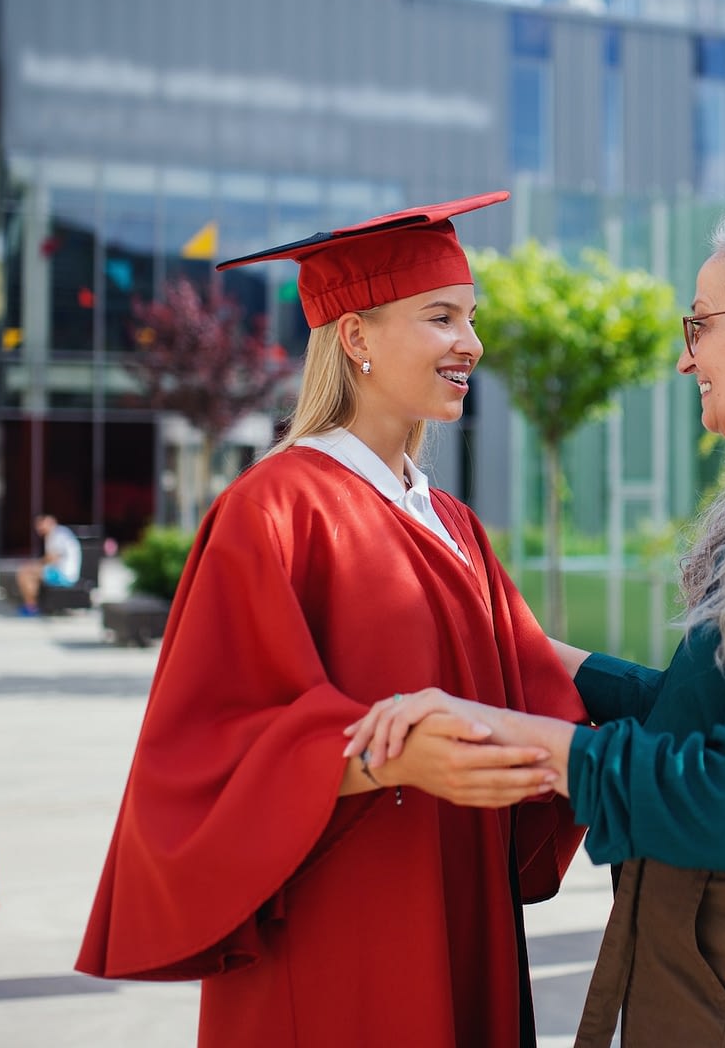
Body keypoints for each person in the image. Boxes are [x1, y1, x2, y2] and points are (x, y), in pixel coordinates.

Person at [348, 209, 725, 1047]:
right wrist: (548, 664)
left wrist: (532, 740)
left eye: (701, 325)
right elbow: (714, 713)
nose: (686, 357)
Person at [75, 191, 588, 1048]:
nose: (472, 344)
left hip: (462, 894)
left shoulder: (448, 519)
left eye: (470, 317)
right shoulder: (273, 509)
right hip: (341, 916)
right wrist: (386, 756)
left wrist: (690, 697)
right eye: (441, 317)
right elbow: (209, 742)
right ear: (354, 338)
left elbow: (531, 669)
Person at [14, 513, 80, 616]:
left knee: (25, 573)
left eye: (40, 524)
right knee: (29, 573)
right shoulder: (57, 533)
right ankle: (32, 605)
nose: (38, 528)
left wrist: (36, 565)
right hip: (61, 573)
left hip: (64, 576)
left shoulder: (58, 534)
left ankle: (31, 607)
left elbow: (52, 558)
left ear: (50, 521)